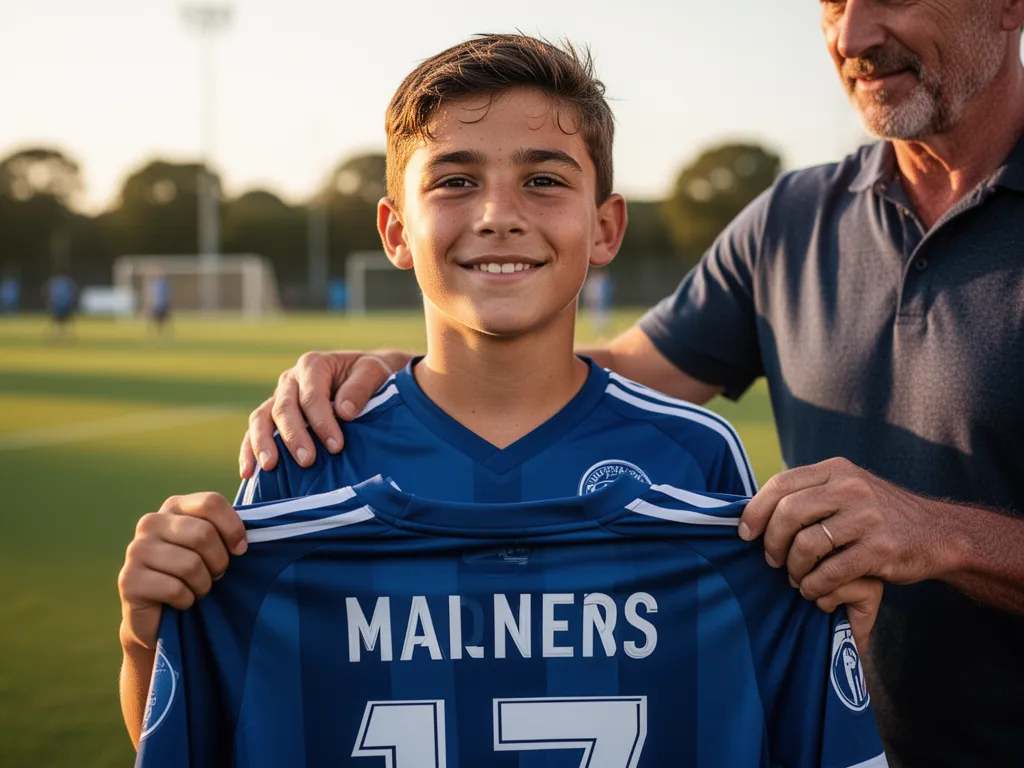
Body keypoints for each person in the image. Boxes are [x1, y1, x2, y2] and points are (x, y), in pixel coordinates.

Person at [243, 4, 1024, 767]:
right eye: (830, 3)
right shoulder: (793, 221)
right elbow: (595, 381)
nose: (852, 33)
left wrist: (937, 534)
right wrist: (402, 372)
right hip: (846, 725)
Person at [118, 34, 884, 762]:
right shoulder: (307, 453)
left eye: (544, 179)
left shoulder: (695, 454)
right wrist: (144, 639)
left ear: (605, 227)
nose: (498, 214)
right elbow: (194, 735)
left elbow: (774, 723)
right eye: (454, 181)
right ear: (395, 230)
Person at [44, 271, 77, 341]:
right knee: (64, 324)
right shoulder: (68, 283)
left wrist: (49, 305)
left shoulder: (53, 283)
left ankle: (54, 337)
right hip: (65, 306)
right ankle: (64, 338)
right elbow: (72, 295)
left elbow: (49, 295)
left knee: (55, 323)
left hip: (56, 306)